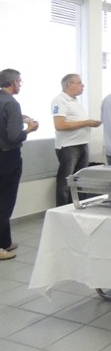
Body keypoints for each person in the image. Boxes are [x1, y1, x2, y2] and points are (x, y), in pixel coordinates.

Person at [0, 69, 39, 260]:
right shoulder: (11, 103)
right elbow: (14, 136)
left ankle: (5, 241)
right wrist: (29, 129)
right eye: (20, 81)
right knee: (5, 202)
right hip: (7, 157)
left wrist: (19, 118)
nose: (20, 85)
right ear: (14, 82)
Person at [51, 74, 101, 206]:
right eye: (79, 83)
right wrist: (86, 122)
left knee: (79, 180)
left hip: (82, 144)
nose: (82, 85)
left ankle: (76, 207)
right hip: (69, 146)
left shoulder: (75, 101)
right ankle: (62, 210)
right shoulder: (60, 100)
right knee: (65, 182)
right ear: (69, 85)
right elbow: (60, 125)